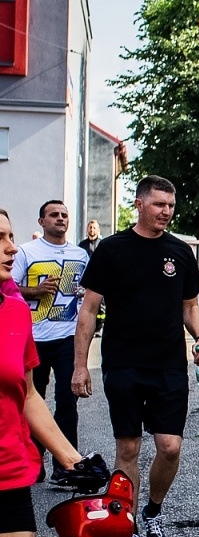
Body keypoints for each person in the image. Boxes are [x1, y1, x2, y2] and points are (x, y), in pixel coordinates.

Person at [71, 175, 199, 537]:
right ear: (139, 204)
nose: (167, 211)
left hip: (168, 366)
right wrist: (80, 367)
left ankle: (153, 511)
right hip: (123, 364)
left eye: (171, 205)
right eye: (159, 205)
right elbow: (87, 311)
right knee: (128, 447)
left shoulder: (181, 252)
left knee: (169, 447)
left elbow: (190, 309)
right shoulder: (112, 250)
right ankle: (129, 522)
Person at [0, 207, 107, 537]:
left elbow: (25, 393)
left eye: (9, 237)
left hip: (9, 479)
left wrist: (74, 461)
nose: (10, 249)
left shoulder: (13, 310)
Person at [14, 201, 90, 486]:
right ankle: (35, 463)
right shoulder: (26, 252)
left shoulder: (80, 255)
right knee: (33, 401)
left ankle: (66, 465)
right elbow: (8, 287)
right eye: (54, 215)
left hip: (67, 336)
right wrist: (34, 290)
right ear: (41, 221)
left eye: (64, 215)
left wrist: (86, 292)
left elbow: (93, 291)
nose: (60, 219)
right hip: (32, 336)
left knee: (66, 401)